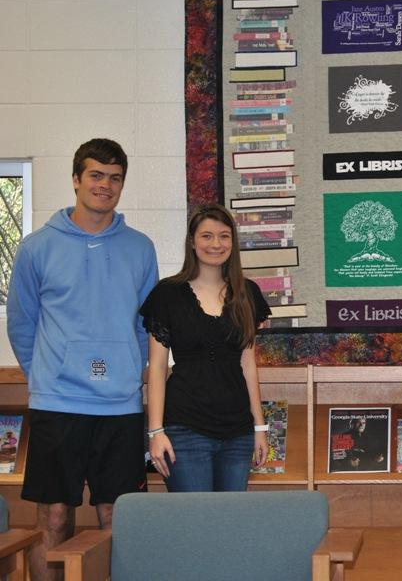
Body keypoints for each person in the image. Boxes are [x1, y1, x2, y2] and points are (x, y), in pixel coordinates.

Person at [6, 138, 158, 581]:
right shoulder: (37, 247)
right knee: (53, 517)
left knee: (119, 515)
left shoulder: (140, 248)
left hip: (120, 407)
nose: (104, 185)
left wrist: (131, 373)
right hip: (57, 405)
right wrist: (47, 377)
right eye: (95, 175)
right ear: (76, 180)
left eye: (114, 178)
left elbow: (144, 324)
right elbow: (22, 322)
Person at [141, 204, 271, 492]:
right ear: (192, 241)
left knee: (228, 524)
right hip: (184, 430)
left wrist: (259, 429)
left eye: (224, 236)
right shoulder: (167, 294)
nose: (216, 244)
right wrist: (155, 431)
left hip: (237, 433)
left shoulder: (247, 293)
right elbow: (158, 367)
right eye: (207, 236)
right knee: (195, 524)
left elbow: (248, 365)